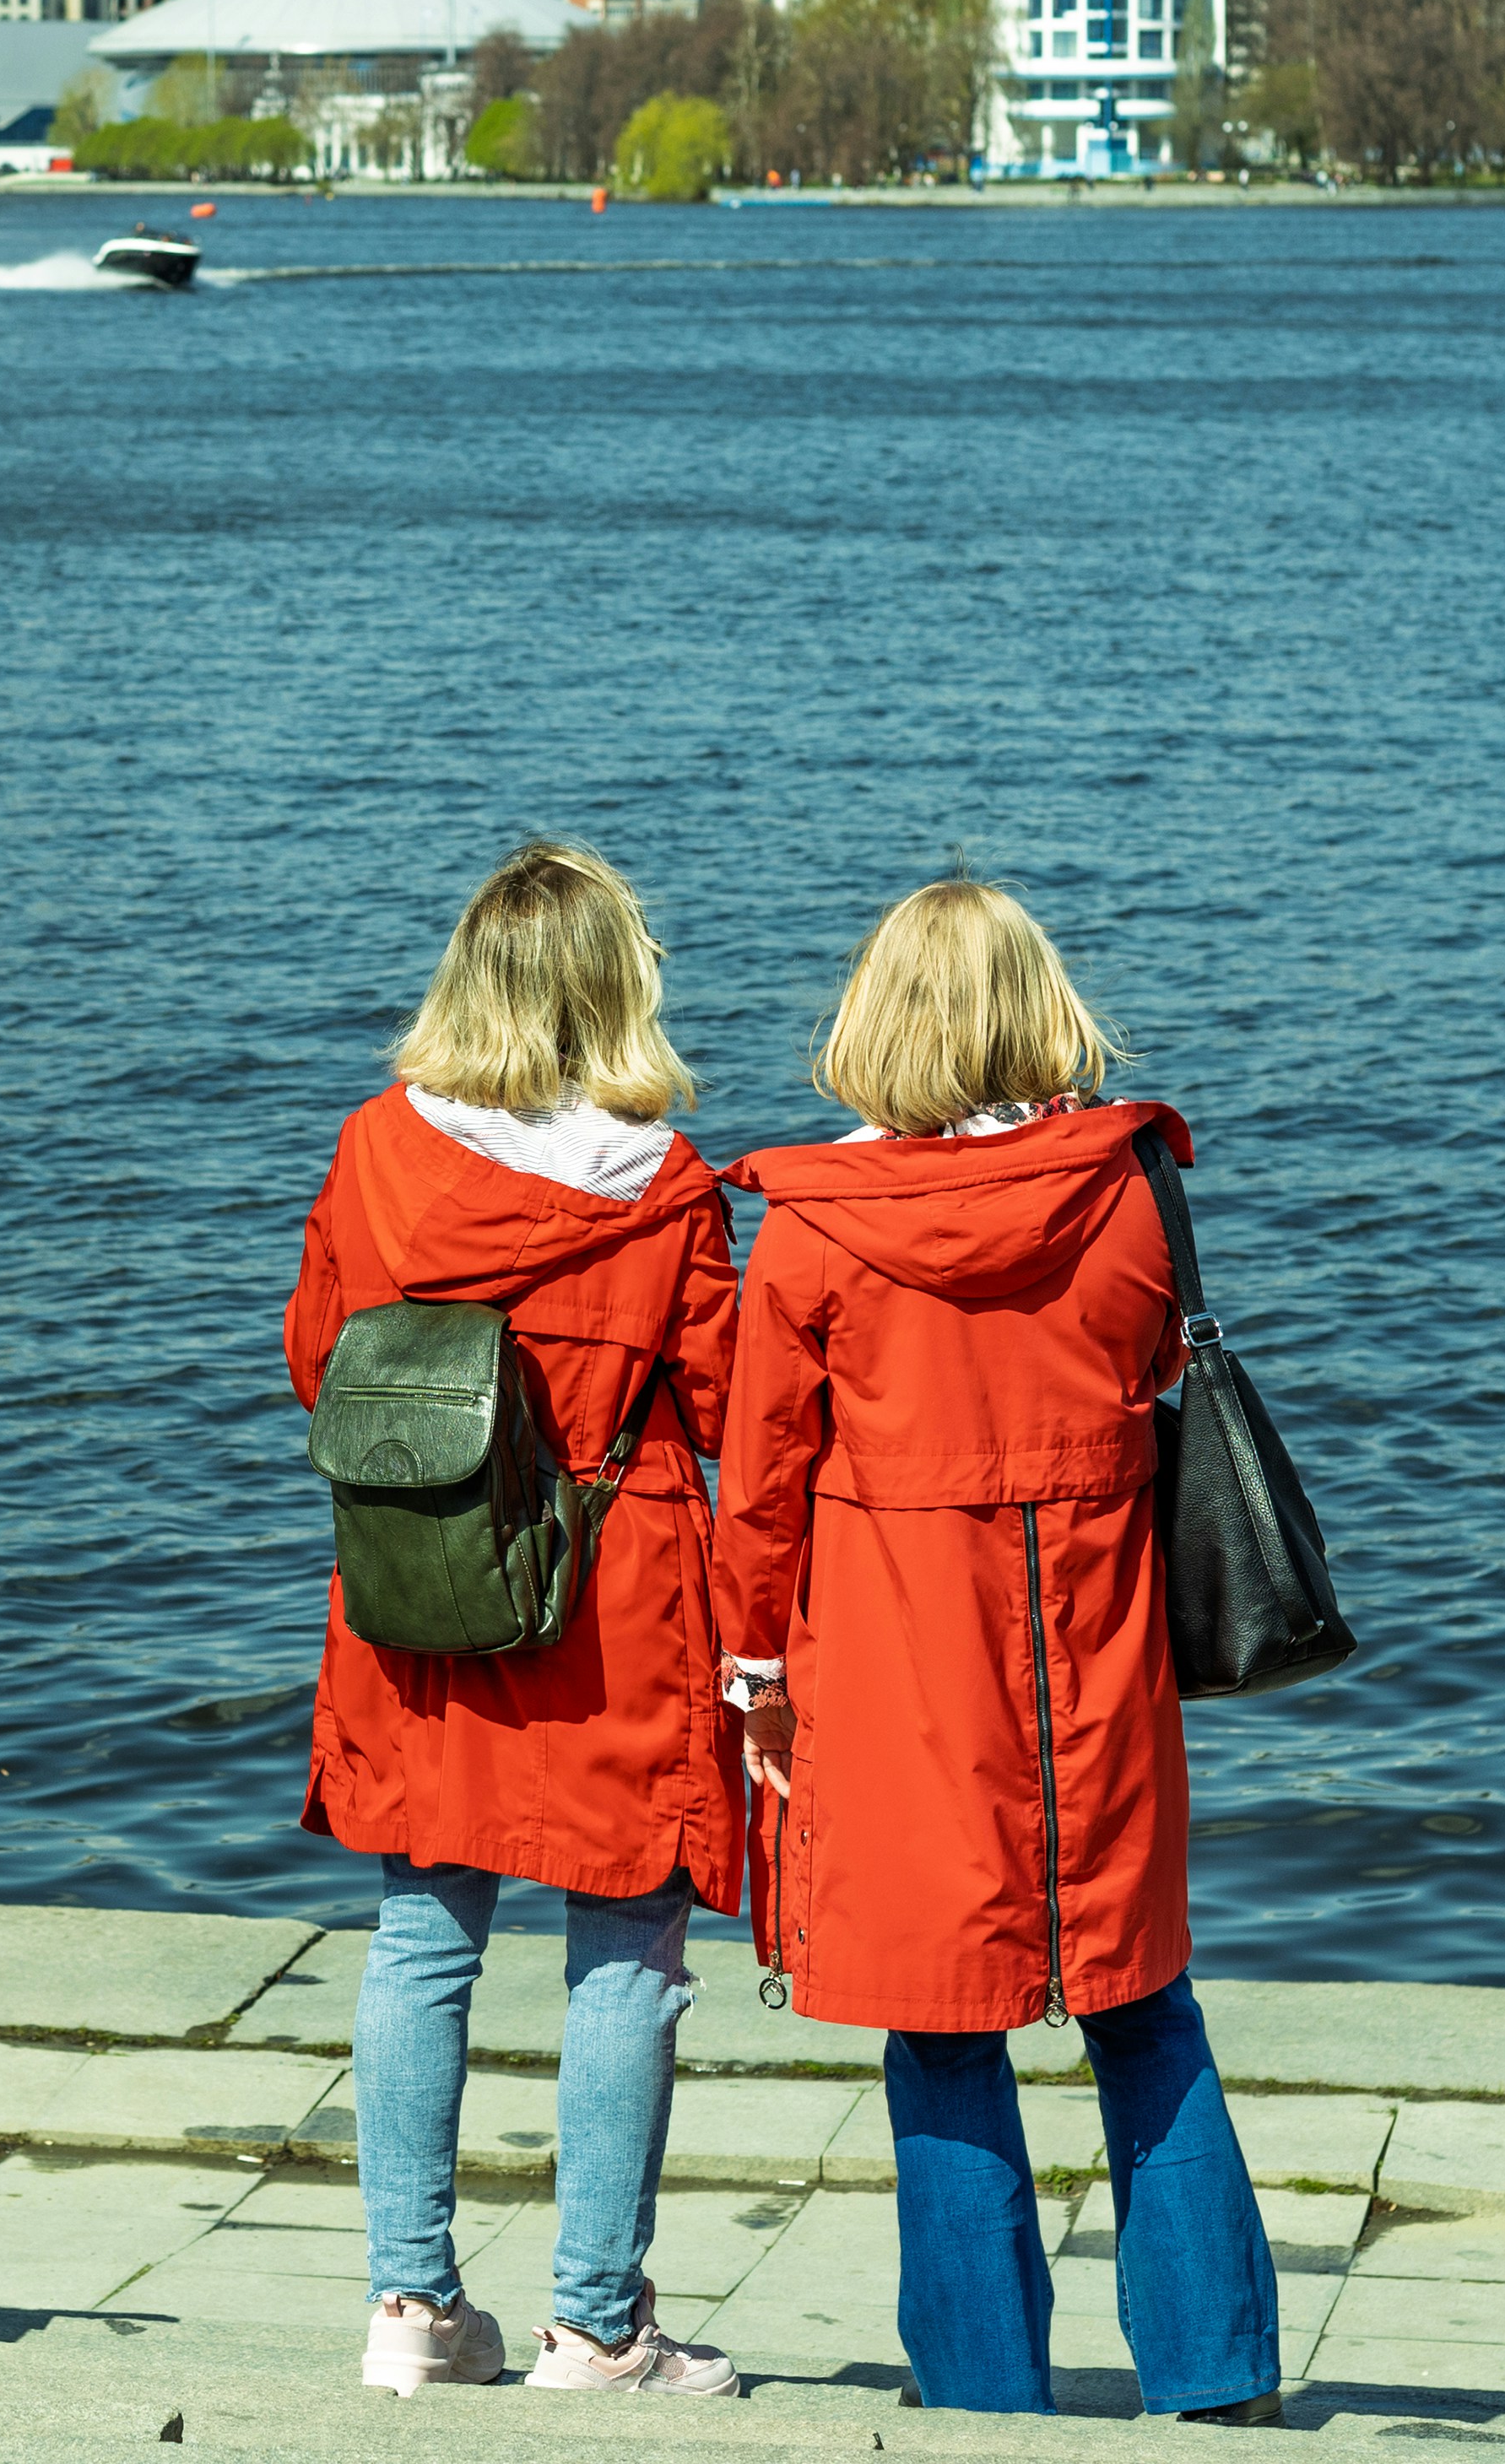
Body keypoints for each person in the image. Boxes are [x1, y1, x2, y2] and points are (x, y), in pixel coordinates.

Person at [714, 878, 1286, 2425]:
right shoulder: (1130, 1191)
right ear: (1043, 1004)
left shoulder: (812, 1229)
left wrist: (751, 1672)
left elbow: (759, 1487)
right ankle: (1218, 2380)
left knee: (943, 2028)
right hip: (1093, 1655)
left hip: (902, 1669)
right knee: (1142, 2002)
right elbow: (1159, 1367)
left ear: (876, 1020)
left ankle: (982, 2401)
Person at [287, 842, 745, 2399]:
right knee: (626, 1947)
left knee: (424, 1936)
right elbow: (727, 1402)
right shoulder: (667, 1185)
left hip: (426, 1594)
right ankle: (598, 2326)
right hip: (612, 1606)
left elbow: (319, 1366)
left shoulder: (373, 1152)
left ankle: (411, 2309)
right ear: (620, 992)